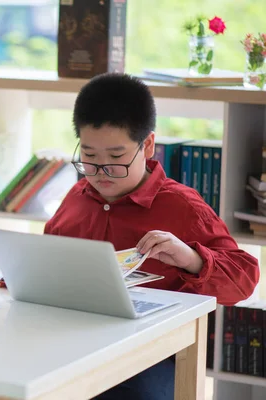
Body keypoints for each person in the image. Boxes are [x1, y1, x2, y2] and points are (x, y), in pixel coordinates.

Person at [43, 73, 259, 400]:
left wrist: (192, 258)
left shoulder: (182, 206)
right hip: (77, 337)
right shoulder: (76, 198)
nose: (101, 172)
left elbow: (245, 280)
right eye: (89, 157)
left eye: (116, 158)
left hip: (153, 355)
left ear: (147, 145)